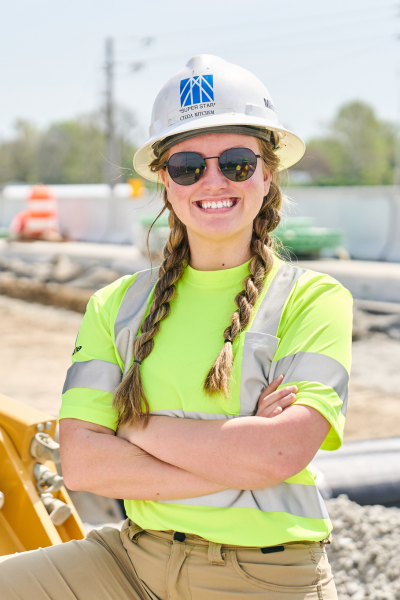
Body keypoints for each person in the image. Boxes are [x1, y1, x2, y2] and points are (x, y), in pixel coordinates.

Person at [0, 54, 352, 600]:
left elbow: (278, 455)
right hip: (132, 560)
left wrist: (136, 426)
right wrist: (239, 460)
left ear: (267, 174)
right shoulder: (113, 306)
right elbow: (87, 464)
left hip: (265, 577)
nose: (212, 180)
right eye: (188, 166)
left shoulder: (313, 300)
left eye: (236, 162)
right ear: (166, 182)